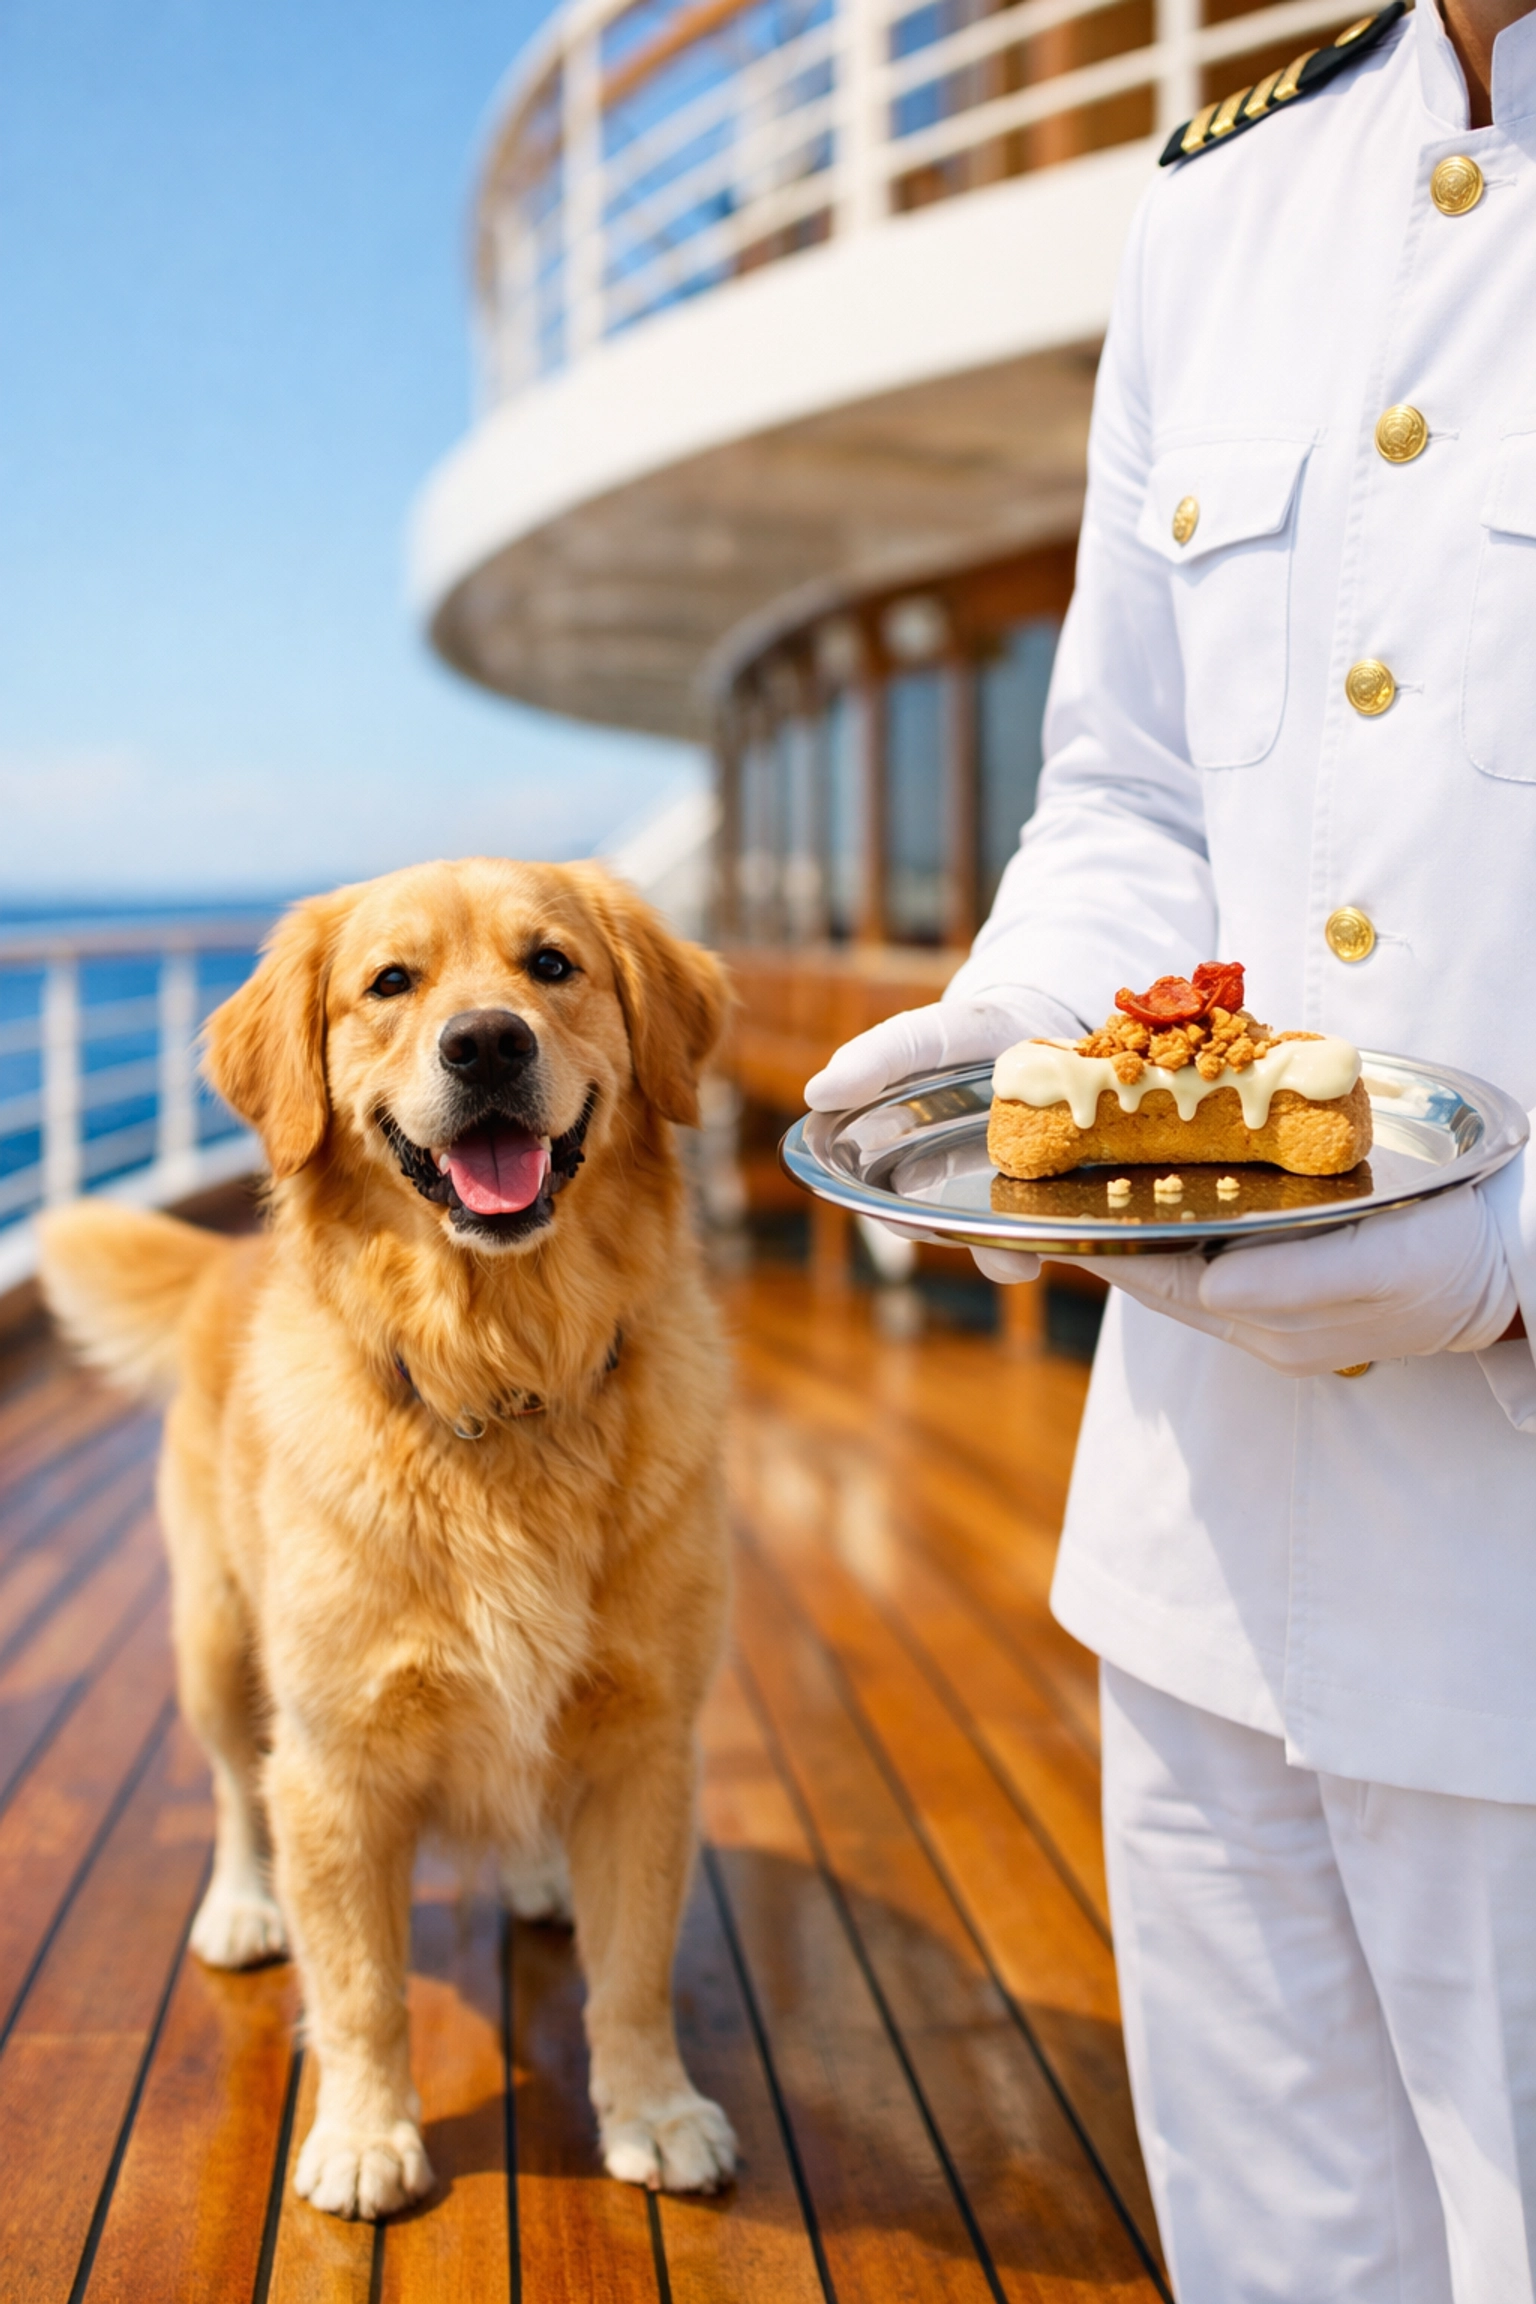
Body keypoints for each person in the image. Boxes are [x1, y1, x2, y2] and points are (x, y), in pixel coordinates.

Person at [805, 1, 1536, 2292]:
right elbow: (1132, 793)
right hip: (1199, 1563)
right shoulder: (1230, 188)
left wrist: (1516, 1241)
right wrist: (1019, 1033)